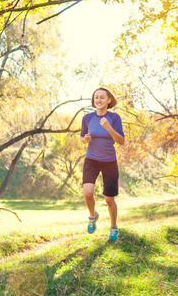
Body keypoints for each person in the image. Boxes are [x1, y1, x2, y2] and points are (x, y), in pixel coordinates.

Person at [80, 87, 125, 241]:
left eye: (102, 97)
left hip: (109, 161)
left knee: (109, 199)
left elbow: (121, 141)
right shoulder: (87, 118)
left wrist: (108, 128)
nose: (98, 100)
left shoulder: (114, 118)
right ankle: (92, 216)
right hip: (91, 160)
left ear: (108, 100)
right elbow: (82, 137)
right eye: (96, 97)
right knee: (87, 193)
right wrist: (84, 140)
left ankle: (113, 227)